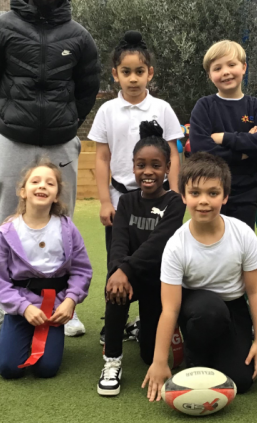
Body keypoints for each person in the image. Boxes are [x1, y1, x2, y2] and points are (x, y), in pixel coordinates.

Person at [0, 0, 100, 340]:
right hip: (11, 139)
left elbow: (86, 89)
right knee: (4, 220)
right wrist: (5, 121)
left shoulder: (79, 37)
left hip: (61, 142)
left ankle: (63, 301)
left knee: (62, 222)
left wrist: (65, 123)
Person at [143, 152, 257, 401]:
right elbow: (170, 308)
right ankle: (196, 356)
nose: (203, 201)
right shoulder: (176, 245)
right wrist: (159, 361)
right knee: (210, 310)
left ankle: (222, 349)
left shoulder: (242, 234)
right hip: (197, 308)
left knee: (240, 381)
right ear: (183, 196)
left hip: (233, 306)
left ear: (225, 196)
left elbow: (255, 292)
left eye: (213, 193)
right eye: (195, 193)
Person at [88, 31, 184, 345]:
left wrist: (176, 193)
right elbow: (102, 157)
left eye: (139, 71)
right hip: (121, 199)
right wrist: (105, 201)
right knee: (117, 258)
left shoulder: (162, 108)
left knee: (156, 258)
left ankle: (150, 320)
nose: (133, 78)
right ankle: (115, 321)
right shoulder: (107, 111)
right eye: (126, 72)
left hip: (158, 198)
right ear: (115, 74)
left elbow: (174, 154)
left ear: (150, 74)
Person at [98, 121, 186, 396]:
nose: (148, 171)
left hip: (160, 281)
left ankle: (141, 328)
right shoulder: (126, 201)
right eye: (141, 165)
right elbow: (118, 242)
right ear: (133, 167)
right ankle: (112, 359)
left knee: (149, 355)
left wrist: (124, 268)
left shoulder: (175, 203)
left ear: (167, 168)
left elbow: (157, 244)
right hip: (128, 278)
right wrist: (118, 271)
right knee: (114, 289)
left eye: (155, 165)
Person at [0, 159, 93, 380]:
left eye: (50, 183)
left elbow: (82, 270)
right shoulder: (6, 233)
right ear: (22, 191)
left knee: (47, 369)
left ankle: (50, 338)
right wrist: (23, 307)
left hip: (54, 308)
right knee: (9, 369)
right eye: (35, 181)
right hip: (21, 306)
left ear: (56, 196)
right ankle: (16, 332)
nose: (42, 186)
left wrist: (70, 300)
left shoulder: (67, 229)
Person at [189, 40, 257, 230]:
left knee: (241, 247)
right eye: (217, 68)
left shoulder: (256, 106)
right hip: (210, 193)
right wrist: (244, 152)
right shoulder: (204, 106)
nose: (225, 72)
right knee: (209, 245)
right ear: (210, 75)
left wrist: (224, 138)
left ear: (244, 67)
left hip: (247, 195)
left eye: (231, 64)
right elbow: (201, 150)